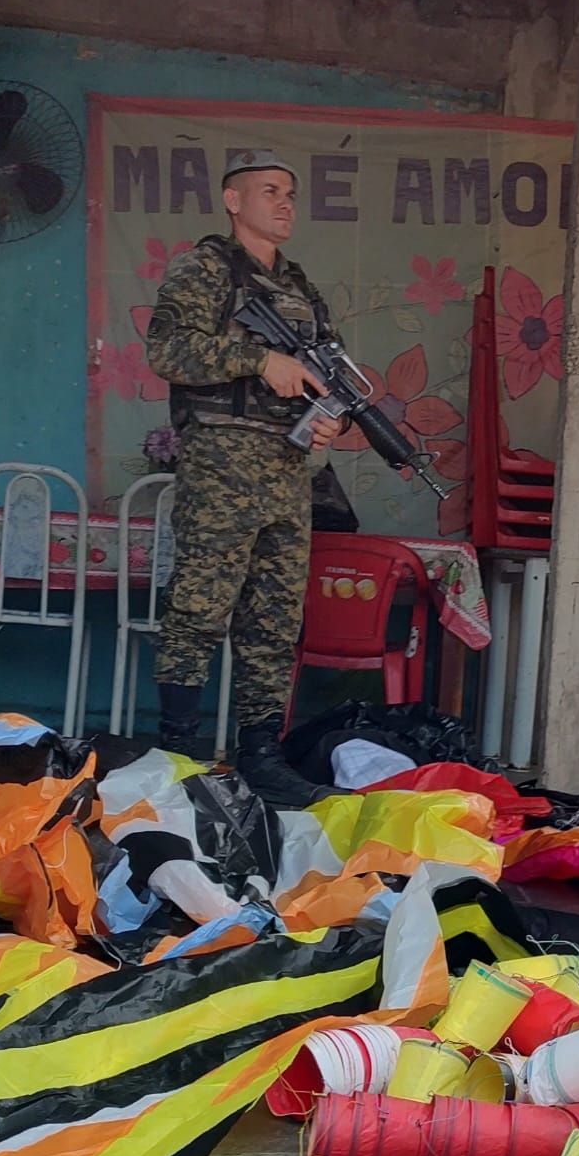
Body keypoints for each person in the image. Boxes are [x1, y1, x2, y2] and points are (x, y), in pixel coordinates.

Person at [144, 148, 343, 807]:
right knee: (199, 608)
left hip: (288, 470)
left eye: (289, 190)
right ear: (233, 201)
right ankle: (178, 752)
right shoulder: (204, 268)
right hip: (222, 462)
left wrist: (329, 421)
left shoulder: (301, 288)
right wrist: (258, 360)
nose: (284, 201)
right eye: (268, 190)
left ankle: (261, 756)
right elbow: (167, 349)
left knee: (273, 620)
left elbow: (329, 376)